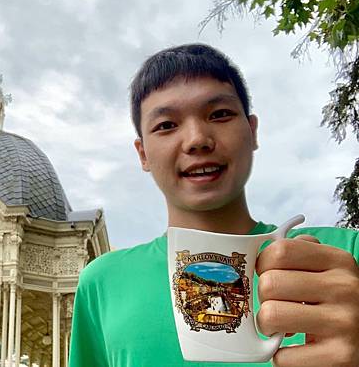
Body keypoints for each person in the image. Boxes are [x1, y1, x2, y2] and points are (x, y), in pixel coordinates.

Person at [68, 44, 359, 367]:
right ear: (143, 154)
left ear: (252, 131)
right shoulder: (102, 284)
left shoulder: (344, 256)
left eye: (219, 114)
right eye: (166, 125)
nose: (197, 139)